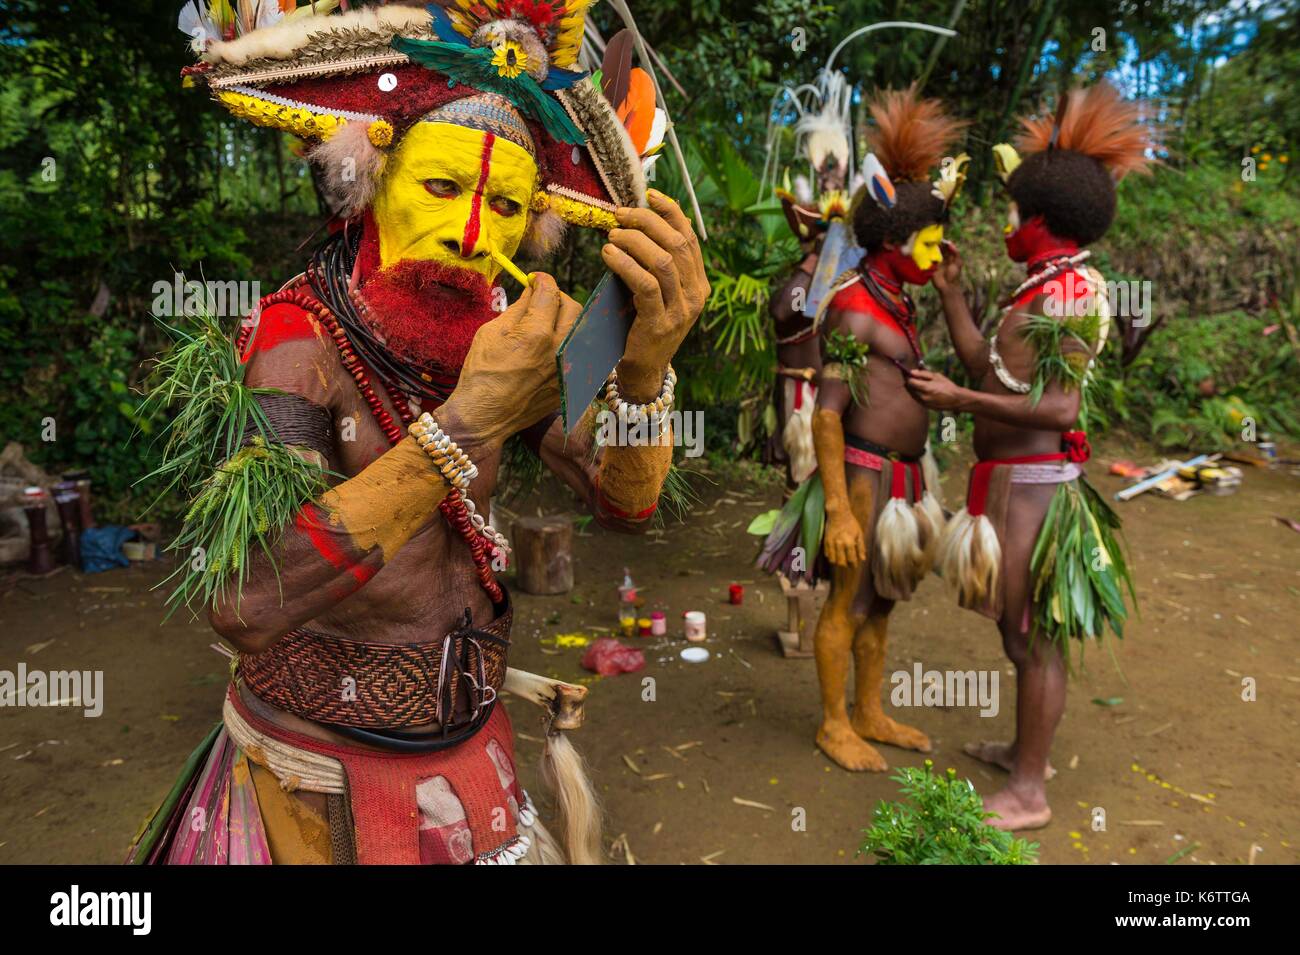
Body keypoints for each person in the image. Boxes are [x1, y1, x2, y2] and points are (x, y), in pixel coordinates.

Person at [130, 0, 707, 865]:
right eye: (442, 188)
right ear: (372, 182)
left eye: (504, 205)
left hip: (469, 753)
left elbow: (625, 499)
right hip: (319, 784)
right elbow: (244, 597)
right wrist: (468, 420)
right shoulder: (300, 340)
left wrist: (644, 371)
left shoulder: (501, 328)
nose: (472, 232)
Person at [907, 81, 1147, 828]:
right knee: (1019, 633)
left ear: (1042, 219)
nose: (1007, 224)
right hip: (1009, 485)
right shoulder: (1039, 287)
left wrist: (959, 402)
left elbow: (1059, 408)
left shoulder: (1071, 292)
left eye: (1014, 213)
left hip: (1037, 489)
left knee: (1033, 637)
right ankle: (1023, 753)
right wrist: (950, 293)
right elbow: (990, 367)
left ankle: (1030, 791)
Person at [760, 86, 964, 771]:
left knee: (882, 603)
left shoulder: (897, 302)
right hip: (864, 473)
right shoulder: (850, 306)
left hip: (903, 476)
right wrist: (840, 511)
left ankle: (871, 710)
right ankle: (832, 722)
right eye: (930, 243)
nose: (937, 255)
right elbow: (825, 411)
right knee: (849, 600)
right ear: (895, 244)